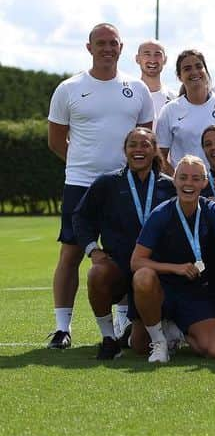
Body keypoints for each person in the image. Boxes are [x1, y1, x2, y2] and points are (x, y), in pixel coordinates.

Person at [46, 23, 154, 349]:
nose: (107, 48)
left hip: (126, 187)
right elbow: (55, 139)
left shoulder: (137, 89)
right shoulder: (68, 88)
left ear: (122, 48)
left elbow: (145, 138)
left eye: (113, 43)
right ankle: (63, 328)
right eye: (101, 43)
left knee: (126, 252)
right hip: (80, 183)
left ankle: (122, 322)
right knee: (71, 253)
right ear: (89, 47)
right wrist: (83, 164)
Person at [72, 127, 176, 359]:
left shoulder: (169, 186)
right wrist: (92, 249)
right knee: (97, 273)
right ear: (125, 150)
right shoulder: (107, 183)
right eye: (133, 145)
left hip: (155, 272)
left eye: (145, 145)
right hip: (119, 267)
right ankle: (109, 338)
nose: (138, 150)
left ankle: (152, 328)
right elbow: (81, 217)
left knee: (140, 346)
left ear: (154, 150)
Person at [130, 155, 215, 362]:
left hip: (196, 291)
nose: (189, 183)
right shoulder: (161, 213)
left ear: (204, 182)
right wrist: (175, 268)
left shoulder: (213, 210)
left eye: (196, 178)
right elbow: (136, 262)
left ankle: (177, 331)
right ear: (175, 179)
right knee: (139, 345)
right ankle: (159, 342)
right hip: (163, 289)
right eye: (184, 177)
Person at [155, 49, 215, 174]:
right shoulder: (169, 110)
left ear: (206, 71)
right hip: (186, 188)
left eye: (198, 66)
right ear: (179, 77)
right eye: (187, 68)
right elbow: (160, 156)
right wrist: (179, 180)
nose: (194, 72)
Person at [134, 39, 175, 122]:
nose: (152, 60)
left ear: (165, 60)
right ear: (137, 59)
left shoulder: (175, 98)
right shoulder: (129, 95)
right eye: (147, 54)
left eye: (157, 54)